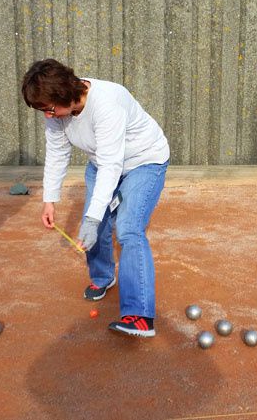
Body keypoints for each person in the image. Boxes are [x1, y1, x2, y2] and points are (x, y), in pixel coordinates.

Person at [21, 59, 170, 338]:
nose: (48, 116)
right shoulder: (57, 113)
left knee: (128, 228)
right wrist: (49, 200)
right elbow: (57, 154)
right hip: (102, 163)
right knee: (97, 224)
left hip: (144, 162)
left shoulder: (107, 102)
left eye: (50, 109)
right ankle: (103, 277)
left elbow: (113, 164)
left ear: (66, 93)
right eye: (43, 111)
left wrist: (91, 215)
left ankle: (139, 316)